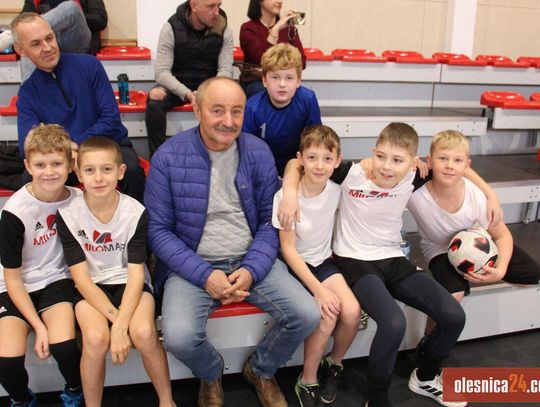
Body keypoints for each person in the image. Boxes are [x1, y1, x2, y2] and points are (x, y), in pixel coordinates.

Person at [144, 76, 320, 407]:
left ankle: (261, 370)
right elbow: (158, 231)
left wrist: (252, 269)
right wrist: (204, 275)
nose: (228, 121)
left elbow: (268, 222)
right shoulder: (167, 157)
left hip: (250, 258)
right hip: (193, 264)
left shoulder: (258, 152)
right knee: (179, 337)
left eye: (236, 111)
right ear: (197, 110)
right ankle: (211, 373)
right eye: (218, 110)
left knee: (308, 314)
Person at [281, 123, 469, 407]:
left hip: (393, 258)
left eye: (397, 160)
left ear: (414, 162)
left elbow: (456, 166)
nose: (386, 166)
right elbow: (297, 163)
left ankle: (426, 377)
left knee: (454, 316)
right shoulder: (353, 173)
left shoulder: (415, 176)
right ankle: (378, 397)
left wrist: (490, 195)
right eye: (381, 156)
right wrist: (289, 192)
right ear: (373, 152)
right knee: (394, 323)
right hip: (354, 261)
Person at [56, 136, 176, 407]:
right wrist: (118, 323)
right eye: (90, 170)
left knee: (143, 332)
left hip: (129, 283)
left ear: (121, 172)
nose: (99, 178)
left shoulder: (135, 212)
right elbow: (81, 279)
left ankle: (167, 400)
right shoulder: (68, 215)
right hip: (91, 287)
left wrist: (122, 326)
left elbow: (136, 274)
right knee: (96, 338)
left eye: (107, 169)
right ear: (78, 174)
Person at [407, 130, 540, 337]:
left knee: (533, 273)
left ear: (467, 165)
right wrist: (409, 163)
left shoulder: (476, 196)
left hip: (474, 243)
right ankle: (428, 339)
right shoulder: (414, 187)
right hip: (439, 248)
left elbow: (503, 235)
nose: (450, 165)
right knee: (453, 296)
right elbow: (382, 169)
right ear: (429, 161)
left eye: (457, 160)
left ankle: (476, 270)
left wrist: (500, 270)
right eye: (443, 159)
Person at [12, 13, 145, 204]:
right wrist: (66, 150)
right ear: (20, 50)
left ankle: (137, 222)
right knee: (31, 179)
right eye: (36, 44)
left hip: (108, 145)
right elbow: (27, 146)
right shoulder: (28, 92)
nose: (47, 47)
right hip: (64, 156)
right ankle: (53, 224)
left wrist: (75, 143)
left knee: (131, 170)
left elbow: (111, 119)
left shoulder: (89, 65)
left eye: (49, 38)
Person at [272, 125, 361, 407]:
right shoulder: (285, 197)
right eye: (312, 157)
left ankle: (333, 363)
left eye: (327, 159)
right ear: (300, 159)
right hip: (294, 266)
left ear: (337, 161)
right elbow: (287, 249)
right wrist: (318, 291)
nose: (319, 165)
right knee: (326, 315)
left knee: (352, 311)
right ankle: (307, 379)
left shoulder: (337, 191)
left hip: (322, 261)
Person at [0, 124, 83, 407]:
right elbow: (12, 278)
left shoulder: (78, 200)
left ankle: (74, 391)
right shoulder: (14, 212)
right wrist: (39, 326)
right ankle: (23, 400)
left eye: (57, 164)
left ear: (70, 165)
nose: (49, 172)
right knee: (7, 361)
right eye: (40, 165)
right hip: (15, 285)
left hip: (55, 279)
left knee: (65, 347)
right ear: (27, 166)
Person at [145, 0, 233, 156]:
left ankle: (224, 155)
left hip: (210, 86)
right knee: (155, 95)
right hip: (178, 86)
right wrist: (188, 94)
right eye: (211, 6)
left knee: (235, 95)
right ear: (194, 5)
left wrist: (206, 91)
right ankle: (158, 158)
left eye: (218, 6)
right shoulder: (171, 27)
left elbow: (225, 70)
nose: (216, 12)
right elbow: (161, 72)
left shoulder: (224, 28)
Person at [242, 43, 321, 176]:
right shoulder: (252, 107)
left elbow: (315, 140)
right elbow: (247, 150)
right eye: (275, 77)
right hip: (262, 164)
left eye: (289, 78)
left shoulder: (308, 99)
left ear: (298, 81)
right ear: (264, 80)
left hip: (297, 162)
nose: (282, 84)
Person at [0, 0, 107, 81]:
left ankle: (9, 38)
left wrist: (60, 18)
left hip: (77, 40)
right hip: (48, 42)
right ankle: (30, 94)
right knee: (28, 44)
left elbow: (100, 19)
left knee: (71, 8)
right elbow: (22, 21)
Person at [239, 0, 306, 98]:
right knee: (260, 92)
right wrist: (276, 29)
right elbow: (260, 60)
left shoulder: (288, 28)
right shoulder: (248, 28)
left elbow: (301, 61)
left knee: (306, 95)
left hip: (285, 79)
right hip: (258, 81)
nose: (279, 1)